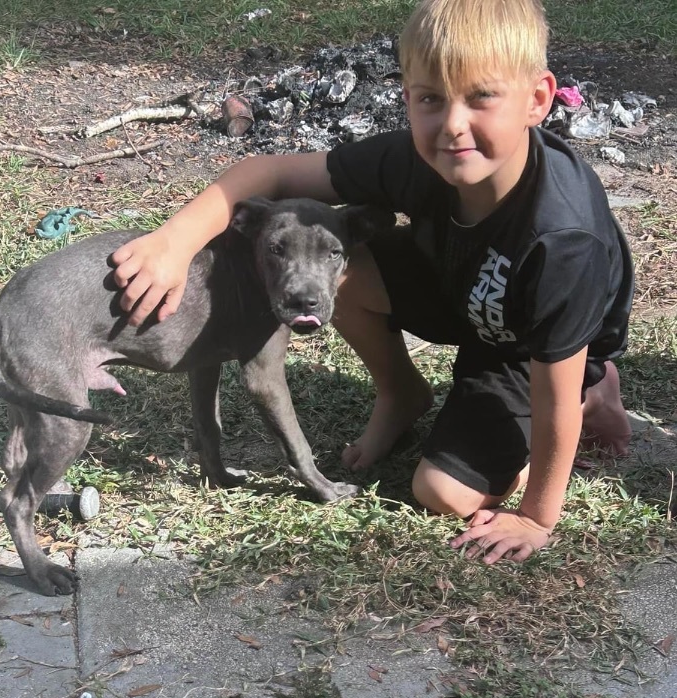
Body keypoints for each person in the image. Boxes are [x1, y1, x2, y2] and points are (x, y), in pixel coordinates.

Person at [111, 0, 633, 565]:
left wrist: (535, 517)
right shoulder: (414, 157)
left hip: (529, 351)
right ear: (408, 99)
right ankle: (401, 392)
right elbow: (268, 171)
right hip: (464, 292)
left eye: (482, 96)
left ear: (537, 100)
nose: (454, 124)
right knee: (337, 264)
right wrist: (175, 241)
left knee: (440, 492)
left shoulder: (563, 239)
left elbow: (548, 390)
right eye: (431, 99)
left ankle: (595, 390)